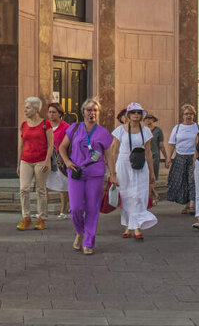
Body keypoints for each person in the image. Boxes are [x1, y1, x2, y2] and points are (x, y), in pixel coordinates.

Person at [57, 97, 113, 255]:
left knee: (92, 208)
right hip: (76, 172)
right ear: (83, 112)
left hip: (95, 174)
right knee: (75, 208)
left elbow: (109, 156)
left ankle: (89, 241)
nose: (92, 113)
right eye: (89, 110)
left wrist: (113, 174)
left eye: (95, 110)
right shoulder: (74, 128)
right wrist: (67, 162)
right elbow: (62, 147)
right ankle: (80, 231)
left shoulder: (103, 133)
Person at [108, 103, 157, 240]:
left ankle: (136, 228)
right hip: (123, 165)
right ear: (128, 115)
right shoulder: (120, 130)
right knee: (126, 195)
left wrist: (152, 172)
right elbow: (114, 151)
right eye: (133, 112)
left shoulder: (146, 131)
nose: (136, 114)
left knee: (138, 195)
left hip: (140, 165)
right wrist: (112, 172)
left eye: (139, 112)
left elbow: (148, 152)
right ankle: (129, 226)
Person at [16, 96, 52, 230]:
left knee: (40, 190)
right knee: (23, 189)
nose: (25, 110)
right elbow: (21, 146)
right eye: (25, 107)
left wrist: (47, 161)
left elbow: (50, 145)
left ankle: (41, 218)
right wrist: (18, 164)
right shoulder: (23, 125)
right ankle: (26, 218)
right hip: (26, 160)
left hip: (41, 161)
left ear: (36, 109)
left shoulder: (45, 124)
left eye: (27, 107)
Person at [163, 104, 199, 225]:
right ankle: (186, 203)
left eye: (190, 114)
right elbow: (171, 143)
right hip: (180, 157)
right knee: (181, 181)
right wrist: (168, 158)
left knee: (192, 180)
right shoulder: (178, 128)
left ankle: (192, 204)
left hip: (194, 157)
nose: (188, 116)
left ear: (194, 115)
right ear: (182, 115)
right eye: (186, 114)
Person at [44, 103, 70, 219]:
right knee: (43, 185)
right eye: (49, 112)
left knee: (62, 185)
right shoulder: (45, 126)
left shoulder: (66, 127)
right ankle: (43, 211)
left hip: (60, 160)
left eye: (54, 112)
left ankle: (63, 210)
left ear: (60, 114)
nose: (51, 115)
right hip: (46, 158)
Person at [144, 115, 164, 181]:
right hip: (143, 156)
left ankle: (152, 189)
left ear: (153, 120)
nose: (148, 120)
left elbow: (161, 145)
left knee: (153, 176)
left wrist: (167, 158)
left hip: (155, 155)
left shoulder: (158, 130)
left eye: (150, 118)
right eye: (146, 118)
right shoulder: (142, 130)